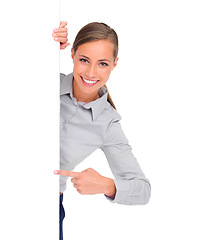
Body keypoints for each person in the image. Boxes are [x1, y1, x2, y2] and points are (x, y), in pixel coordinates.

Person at [53, 21, 151, 240]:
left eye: (103, 64)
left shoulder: (108, 124)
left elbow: (143, 190)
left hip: (46, 209)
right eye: (84, 60)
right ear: (72, 54)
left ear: (115, 64)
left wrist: (107, 185)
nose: (91, 72)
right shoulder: (42, 80)